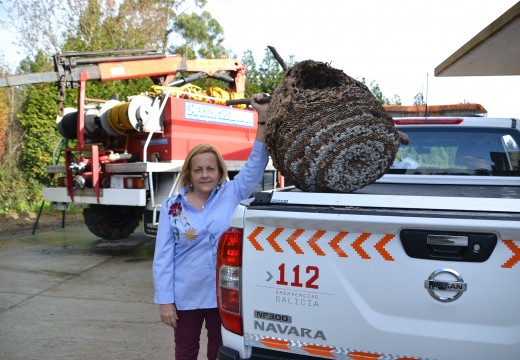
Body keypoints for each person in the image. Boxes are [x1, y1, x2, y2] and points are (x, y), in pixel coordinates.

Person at [152, 93, 270, 360]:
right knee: (185, 351)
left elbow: (255, 164)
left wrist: (262, 119)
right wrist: (165, 301)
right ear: (189, 174)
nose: (205, 175)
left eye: (211, 169)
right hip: (186, 297)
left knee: (219, 353)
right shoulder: (173, 207)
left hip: (224, 298)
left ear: (219, 171)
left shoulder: (232, 193)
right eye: (198, 170)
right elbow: (162, 258)